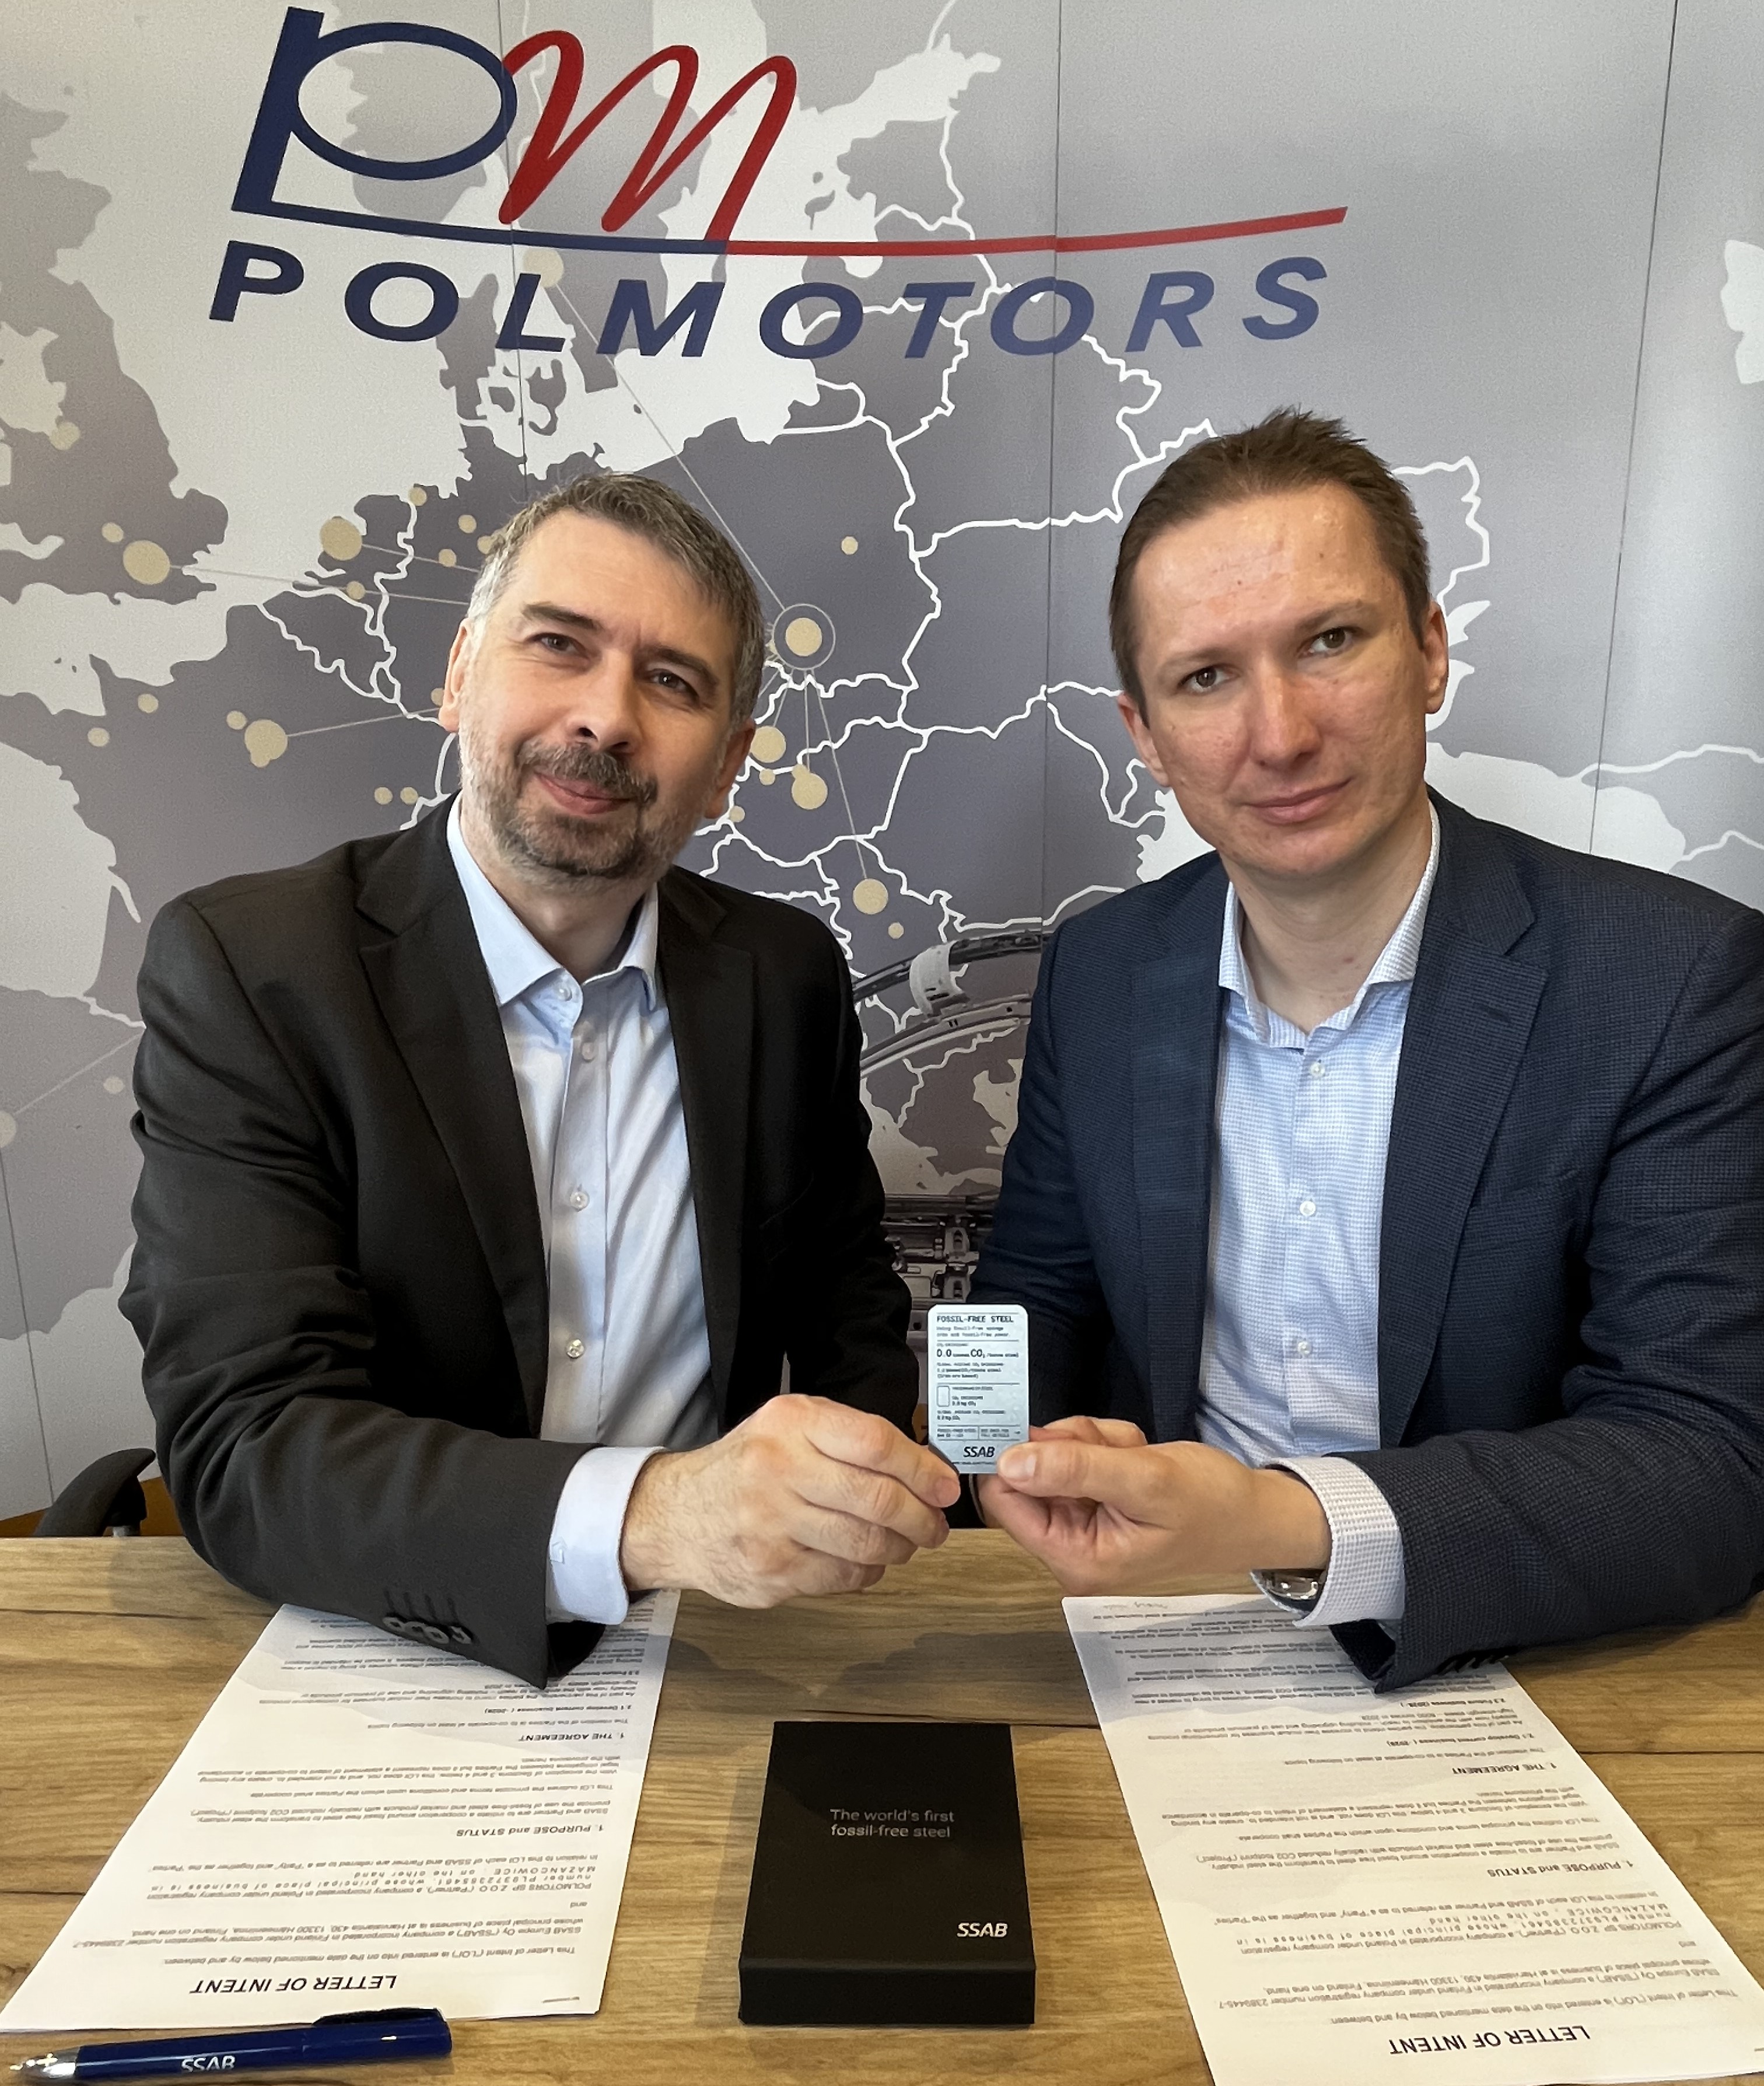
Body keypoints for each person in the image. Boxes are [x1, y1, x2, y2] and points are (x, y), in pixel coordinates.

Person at [971, 409, 1764, 1689]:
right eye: (1206, 678)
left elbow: (1710, 1458)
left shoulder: (1674, 980)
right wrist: (973, 1463)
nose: (1281, 734)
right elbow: (1032, 1296)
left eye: (1329, 641)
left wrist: (1278, 1521)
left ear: (1431, 651)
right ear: (1146, 735)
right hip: (1156, 1631)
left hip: (1515, 1655)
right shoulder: (1101, 971)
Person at [122, 473, 957, 1686]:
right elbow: (246, 1446)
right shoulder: (253, 973)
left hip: (719, 1646)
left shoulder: (787, 974)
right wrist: (658, 1516)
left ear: (726, 766)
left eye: (672, 682)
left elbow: (844, 1288)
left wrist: (872, 1493)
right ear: (461, 672)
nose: (606, 718)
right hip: (389, 1644)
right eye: (559, 645)